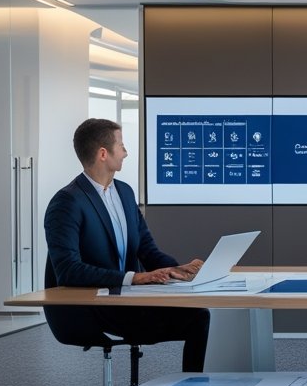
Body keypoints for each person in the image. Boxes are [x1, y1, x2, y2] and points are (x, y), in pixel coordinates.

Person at [44, 118, 210, 372]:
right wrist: (134, 278)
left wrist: (179, 269)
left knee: (197, 314)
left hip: (128, 301)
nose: (126, 152)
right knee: (196, 318)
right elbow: (68, 271)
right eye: (121, 146)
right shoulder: (67, 202)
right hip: (92, 307)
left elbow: (147, 250)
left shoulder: (124, 192)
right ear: (103, 153)